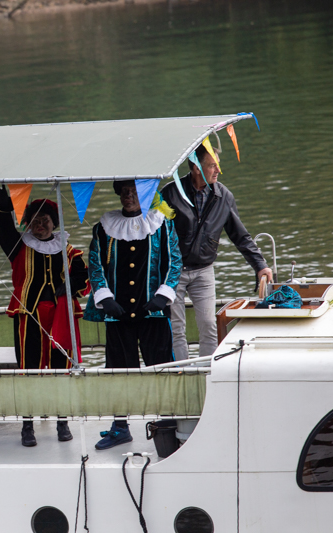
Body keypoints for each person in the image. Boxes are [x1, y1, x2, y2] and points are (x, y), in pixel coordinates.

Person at [0, 184, 88, 447]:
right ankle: (27, 426)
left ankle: (62, 421)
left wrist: (64, 287)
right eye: (34, 220)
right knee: (28, 369)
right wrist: (5, 207)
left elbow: (82, 279)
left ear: (54, 223)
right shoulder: (18, 246)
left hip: (61, 318)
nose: (40, 225)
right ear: (29, 223)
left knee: (61, 369)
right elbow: (6, 231)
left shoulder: (70, 251)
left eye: (45, 220)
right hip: (28, 317)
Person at [85, 181, 182, 450]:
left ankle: (168, 422)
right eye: (125, 192)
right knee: (118, 370)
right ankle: (120, 427)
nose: (129, 197)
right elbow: (95, 264)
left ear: (147, 194)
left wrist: (162, 296)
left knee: (160, 367)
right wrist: (105, 297)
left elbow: (174, 261)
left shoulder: (161, 224)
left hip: (152, 312)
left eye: (135, 192)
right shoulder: (105, 227)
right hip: (118, 314)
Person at [161, 145, 273, 360]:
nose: (218, 171)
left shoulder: (223, 196)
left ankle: (208, 373)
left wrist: (260, 265)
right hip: (172, 271)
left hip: (204, 271)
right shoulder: (171, 193)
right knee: (175, 328)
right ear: (195, 167)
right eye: (212, 166)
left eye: (217, 165)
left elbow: (240, 235)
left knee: (209, 325)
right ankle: (180, 373)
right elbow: (155, 236)